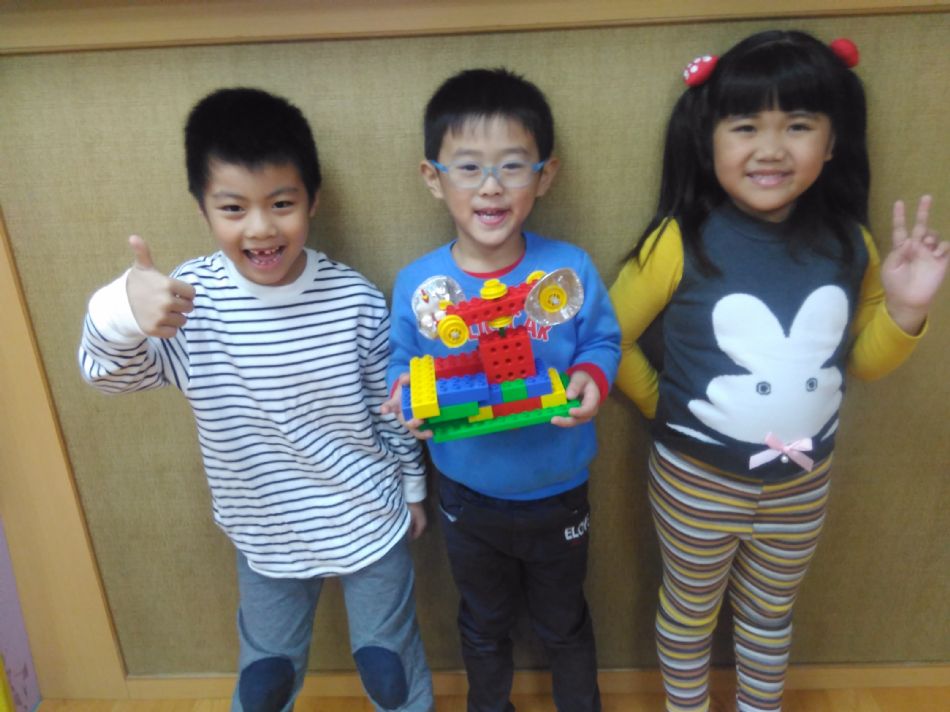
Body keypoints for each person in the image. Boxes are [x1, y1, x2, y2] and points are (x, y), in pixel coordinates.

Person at [608, 30, 948, 712]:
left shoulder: (850, 244)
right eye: (745, 126)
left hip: (802, 486)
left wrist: (907, 309)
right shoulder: (680, 240)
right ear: (708, 140)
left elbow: (863, 363)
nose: (770, 148)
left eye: (797, 125)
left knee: (769, 615)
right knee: (689, 610)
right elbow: (608, 336)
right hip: (695, 481)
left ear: (833, 141)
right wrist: (659, 405)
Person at [78, 87, 434, 712]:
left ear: (313, 200)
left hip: (367, 514)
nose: (262, 227)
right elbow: (110, 377)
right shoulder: (188, 301)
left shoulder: (354, 300)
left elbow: (392, 407)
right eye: (234, 207)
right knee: (265, 682)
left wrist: (412, 488)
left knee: (389, 671)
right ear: (203, 209)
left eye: (282, 203)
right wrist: (119, 316)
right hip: (263, 528)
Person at [382, 68, 620, 712]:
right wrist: (406, 397)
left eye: (513, 166)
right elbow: (402, 363)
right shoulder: (420, 285)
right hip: (467, 495)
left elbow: (602, 340)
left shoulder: (568, 269)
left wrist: (592, 376)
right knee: (483, 624)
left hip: (558, 491)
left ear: (545, 175)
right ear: (434, 178)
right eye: (468, 167)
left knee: (564, 621)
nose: (491, 186)